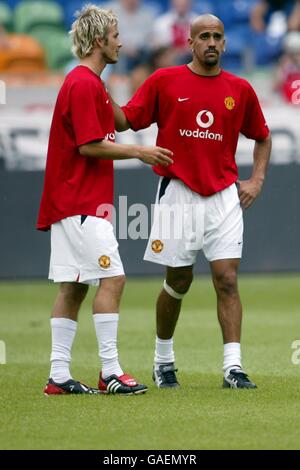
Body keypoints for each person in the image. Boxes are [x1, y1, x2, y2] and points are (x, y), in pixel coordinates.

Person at [113, 14, 272, 389]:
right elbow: (126, 121)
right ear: (190, 42)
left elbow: (262, 136)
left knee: (227, 280)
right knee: (178, 281)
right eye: (204, 36)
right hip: (177, 191)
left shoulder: (240, 88)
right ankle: (163, 360)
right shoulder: (164, 81)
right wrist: (97, 86)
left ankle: (233, 368)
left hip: (223, 196)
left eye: (217, 36)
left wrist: (257, 180)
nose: (212, 42)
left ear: (224, 43)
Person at [36, 4, 173, 396]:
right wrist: (140, 152)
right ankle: (111, 371)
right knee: (113, 277)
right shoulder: (82, 84)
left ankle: (58, 376)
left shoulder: (89, 83)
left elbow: (120, 119)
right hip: (81, 203)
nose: (121, 42)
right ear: (100, 41)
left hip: (71, 202)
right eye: (115, 36)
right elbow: (89, 147)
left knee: (73, 287)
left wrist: (153, 89)